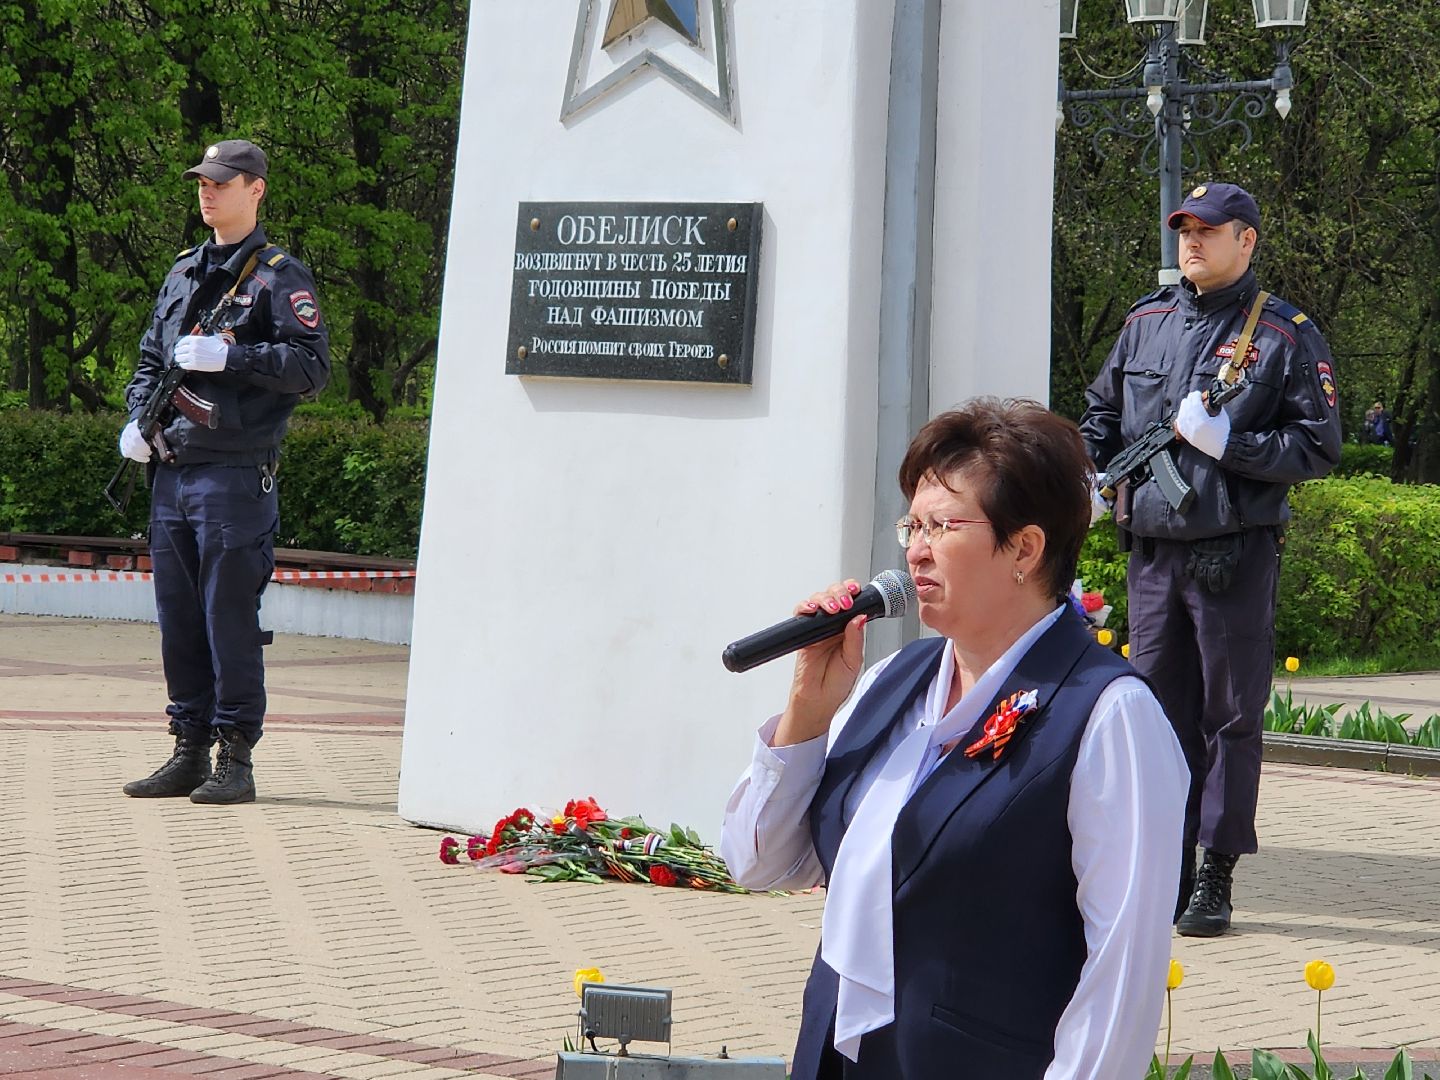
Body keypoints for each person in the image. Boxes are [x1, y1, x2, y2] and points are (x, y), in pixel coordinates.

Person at [720, 399, 1187, 1080]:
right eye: (912, 523)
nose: (915, 548)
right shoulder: (891, 681)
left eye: (942, 525)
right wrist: (807, 712)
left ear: (1025, 548)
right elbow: (757, 862)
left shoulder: (1108, 715)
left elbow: (1123, 971)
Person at [1080, 182, 1342, 937]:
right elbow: (1100, 413)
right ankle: (1161, 861)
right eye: (1183, 230)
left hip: (1234, 554)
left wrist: (1232, 445)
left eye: (1208, 230)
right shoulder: (1146, 321)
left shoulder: (1284, 335)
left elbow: (1317, 446)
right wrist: (1093, 476)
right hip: (1154, 556)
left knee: (1231, 718)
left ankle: (1215, 871)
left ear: (1246, 241)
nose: (1190, 241)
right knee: (1156, 717)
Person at [119, 139, 330, 805]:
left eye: (222, 182)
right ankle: (187, 747)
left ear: (255, 189)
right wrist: (137, 420)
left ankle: (234, 756)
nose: (207, 192)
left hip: (235, 477)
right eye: (203, 182)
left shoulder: (278, 277)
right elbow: (153, 360)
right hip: (174, 472)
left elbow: (311, 368)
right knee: (178, 615)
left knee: (227, 617)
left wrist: (231, 360)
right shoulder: (182, 273)